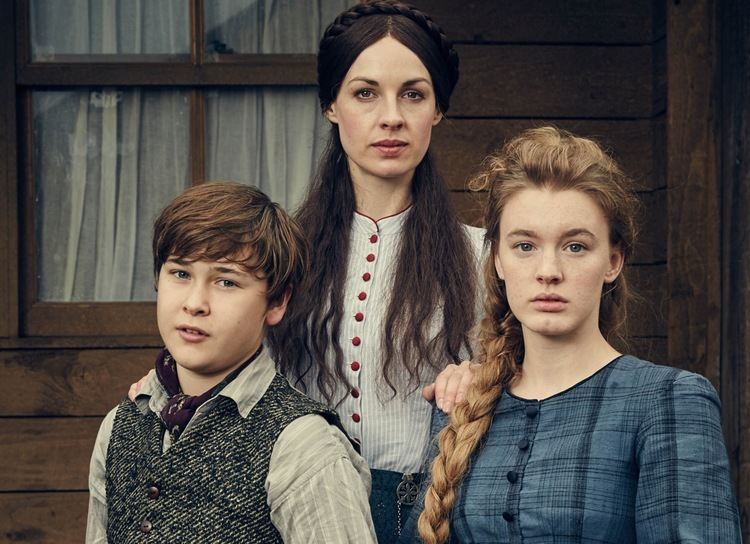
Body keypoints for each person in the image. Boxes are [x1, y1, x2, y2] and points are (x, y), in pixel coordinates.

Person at [129, 3, 483, 540]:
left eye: (413, 94)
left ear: (437, 110)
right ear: (331, 107)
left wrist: (488, 379)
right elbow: (228, 353)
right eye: (365, 93)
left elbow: (534, 380)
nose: (391, 116)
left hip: (443, 513)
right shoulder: (280, 251)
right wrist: (168, 385)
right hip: (294, 507)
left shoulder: (484, 257)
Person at [408, 127, 742, 543]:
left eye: (575, 246)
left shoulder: (668, 400)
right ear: (497, 260)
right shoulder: (464, 404)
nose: (549, 270)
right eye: (525, 246)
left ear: (613, 262)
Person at [88, 182, 376, 543]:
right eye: (180, 273)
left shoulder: (304, 444)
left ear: (276, 302)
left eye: (226, 281)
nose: (195, 303)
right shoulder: (119, 426)